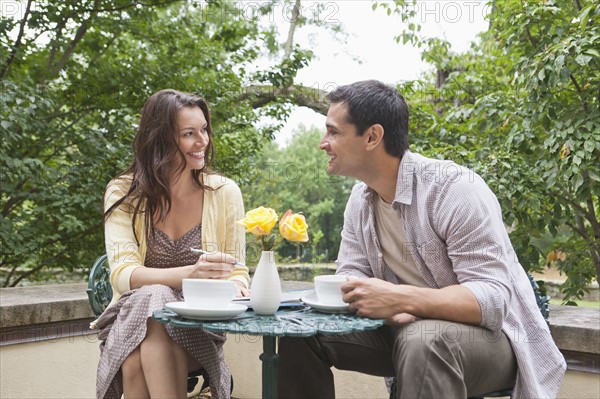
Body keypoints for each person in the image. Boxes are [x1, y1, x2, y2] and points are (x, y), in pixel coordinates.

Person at [277, 80, 566, 398]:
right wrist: (372, 298)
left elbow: (492, 300)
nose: (323, 143)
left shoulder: (455, 190)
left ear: (372, 136)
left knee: (425, 338)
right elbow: (353, 276)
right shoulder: (360, 200)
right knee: (297, 330)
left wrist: (402, 300)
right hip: (404, 327)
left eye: (333, 132)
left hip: (496, 340)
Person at [94, 89, 249, 399]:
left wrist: (238, 285)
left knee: (137, 359)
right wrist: (189, 274)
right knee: (154, 297)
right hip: (130, 317)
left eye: (204, 129)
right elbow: (123, 274)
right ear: (161, 139)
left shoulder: (224, 192)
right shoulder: (123, 192)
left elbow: (237, 270)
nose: (202, 141)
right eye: (189, 134)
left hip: (199, 323)